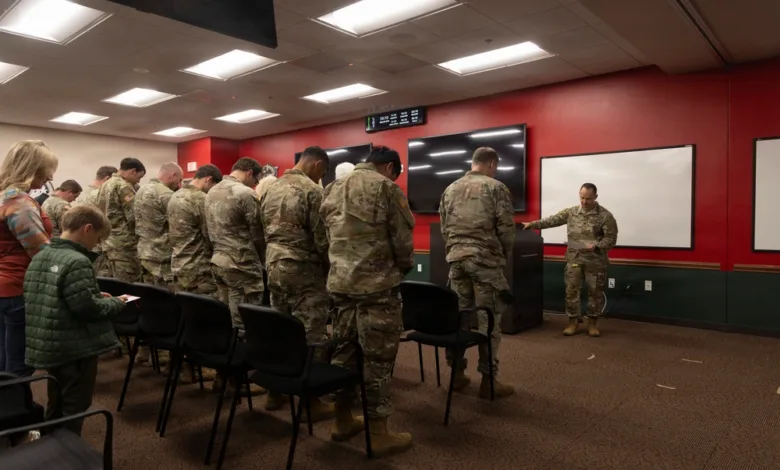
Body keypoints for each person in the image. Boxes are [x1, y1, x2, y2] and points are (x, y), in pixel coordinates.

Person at [320, 145, 414, 456]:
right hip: (376, 290)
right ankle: (379, 431)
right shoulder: (387, 188)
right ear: (389, 167)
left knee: (344, 351)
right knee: (378, 358)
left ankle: (342, 420)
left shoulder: (332, 187)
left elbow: (324, 238)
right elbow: (402, 240)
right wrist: (400, 269)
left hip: (340, 286)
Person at [24, 205, 128, 435]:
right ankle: (69, 455)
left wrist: (94, 294)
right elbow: (87, 309)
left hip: (51, 342)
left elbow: (53, 295)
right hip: (75, 346)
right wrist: (117, 302)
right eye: (98, 238)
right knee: (75, 406)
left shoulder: (42, 254)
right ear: (88, 228)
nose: (96, 245)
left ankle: (50, 447)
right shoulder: (78, 261)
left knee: (56, 400)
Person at [259, 146, 332, 416]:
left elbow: (260, 228)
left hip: (274, 266)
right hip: (304, 270)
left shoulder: (270, 189)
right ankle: (310, 402)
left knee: (280, 328)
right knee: (312, 333)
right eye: (323, 171)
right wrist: (329, 268)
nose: (321, 176)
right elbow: (322, 238)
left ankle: (274, 392)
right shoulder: (313, 191)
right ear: (317, 165)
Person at [439, 147, 515, 399]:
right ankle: (488, 381)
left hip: (456, 261)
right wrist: (503, 256)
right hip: (485, 263)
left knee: (457, 318)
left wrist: (455, 250)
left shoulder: (450, 189)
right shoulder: (496, 188)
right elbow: (506, 230)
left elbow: (444, 228)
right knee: (488, 320)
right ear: (492, 163)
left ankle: (457, 375)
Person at [523, 183, 618, 337]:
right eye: (582, 197)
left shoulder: (605, 216)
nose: (584, 201)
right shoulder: (571, 212)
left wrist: (596, 245)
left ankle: (592, 324)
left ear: (595, 197)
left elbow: (611, 239)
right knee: (571, 291)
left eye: (588, 198)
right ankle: (573, 322)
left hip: (595, 261)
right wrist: (533, 224)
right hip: (574, 258)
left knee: (595, 292)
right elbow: (552, 220)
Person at [0, 140, 57, 378]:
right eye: (47, 170)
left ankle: (9, 410)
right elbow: (39, 252)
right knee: (19, 364)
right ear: (33, 168)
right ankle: (20, 411)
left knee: (3, 359)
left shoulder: (3, 197)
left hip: (4, 287)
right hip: (17, 289)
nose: (50, 176)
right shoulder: (18, 202)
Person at [205, 157, 266, 326]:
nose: (255, 184)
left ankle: (229, 351)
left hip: (218, 261)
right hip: (242, 265)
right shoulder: (245, 193)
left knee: (225, 317)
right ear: (249, 173)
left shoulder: (211, 191)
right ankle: (243, 352)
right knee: (246, 320)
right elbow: (258, 235)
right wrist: (263, 260)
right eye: (255, 180)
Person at [168, 164, 222, 297]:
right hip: (198, 268)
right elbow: (210, 235)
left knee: (186, 308)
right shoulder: (201, 199)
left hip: (178, 263)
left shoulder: (175, 195)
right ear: (208, 180)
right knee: (203, 310)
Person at [96, 157, 146, 283]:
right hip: (124, 245)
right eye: (139, 177)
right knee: (128, 283)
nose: (138, 181)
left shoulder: (105, 184)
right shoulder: (124, 187)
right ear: (132, 172)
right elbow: (134, 216)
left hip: (108, 242)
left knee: (114, 282)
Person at [135, 163, 183, 289]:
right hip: (162, 256)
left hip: (144, 252)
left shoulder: (141, 190)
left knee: (150, 295)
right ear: (173, 175)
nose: (179, 184)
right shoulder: (166, 194)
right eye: (179, 180)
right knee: (165, 298)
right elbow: (179, 225)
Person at [75, 166, 117, 275]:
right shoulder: (99, 194)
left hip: (82, 240)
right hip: (96, 243)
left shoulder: (85, 194)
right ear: (107, 179)